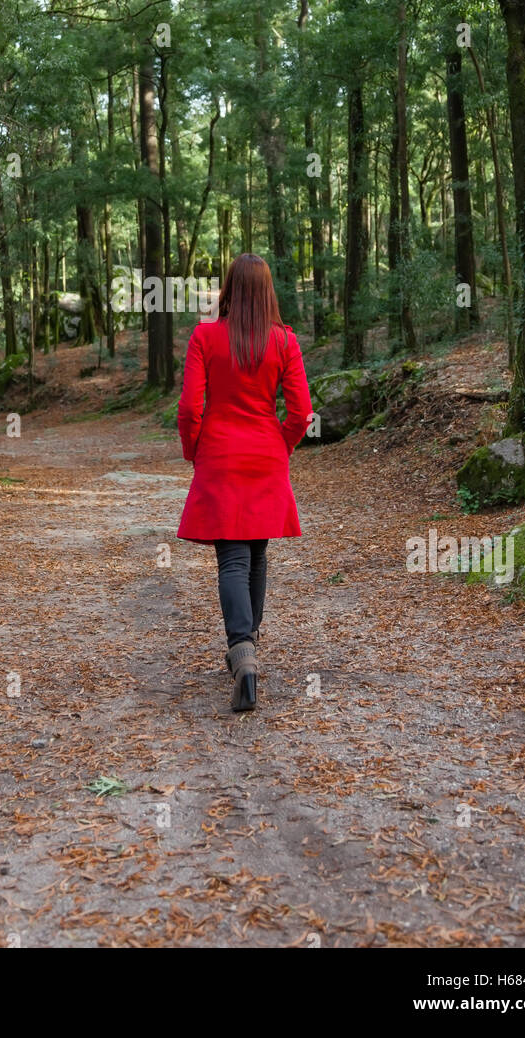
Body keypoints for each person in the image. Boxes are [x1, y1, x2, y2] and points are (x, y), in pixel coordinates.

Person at [176, 254, 312, 712]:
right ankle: (247, 647)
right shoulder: (284, 341)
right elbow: (300, 413)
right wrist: (283, 445)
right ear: (269, 292)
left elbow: (189, 408)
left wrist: (195, 449)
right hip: (265, 455)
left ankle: (243, 652)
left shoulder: (205, 336)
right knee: (256, 553)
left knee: (234, 559)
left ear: (229, 290)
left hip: (220, 454)